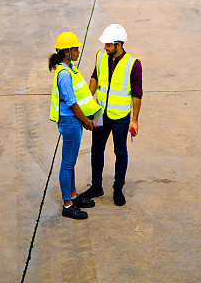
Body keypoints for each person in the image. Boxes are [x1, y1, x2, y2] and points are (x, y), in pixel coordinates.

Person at [80, 24, 143, 206]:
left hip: (121, 117)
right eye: (105, 45)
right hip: (100, 112)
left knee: (120, 152)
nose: (105, 48)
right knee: (96, 150)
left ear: (119, 44)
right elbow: (95, 77)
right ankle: (97, 187)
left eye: (108, 45)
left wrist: (135, 120)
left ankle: (118, 188)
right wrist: (88, 103)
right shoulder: (101, 56)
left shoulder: (133, 64)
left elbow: (137, 94)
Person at [49, 31, 101, 220]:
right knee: (68, 163)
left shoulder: (69, 68)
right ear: (66, 52)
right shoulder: (64, 74)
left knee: (71, 163)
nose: (79, 51)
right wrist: (86, 122)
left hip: (73, 120)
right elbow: (72, 103)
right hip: (70, 121)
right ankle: (67, 205)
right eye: (75, 48)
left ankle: (72, 196)